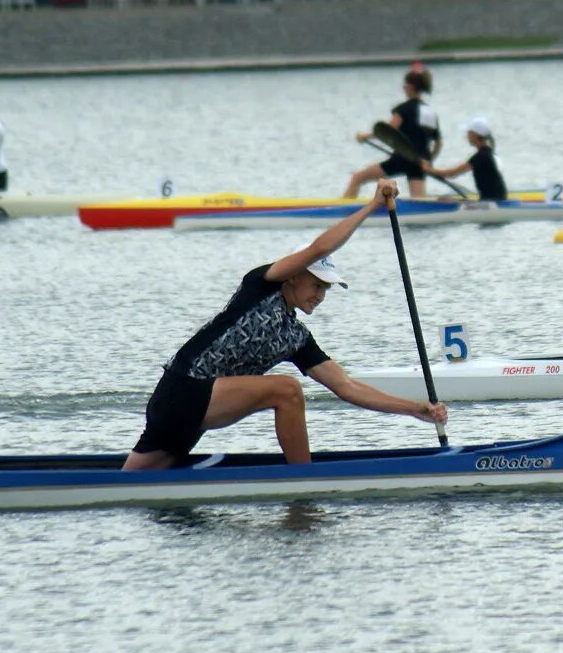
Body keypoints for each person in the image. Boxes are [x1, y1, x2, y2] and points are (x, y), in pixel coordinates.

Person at [124, 180, 447, 470]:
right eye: (316, 285)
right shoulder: (261, 285)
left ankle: (298, 478)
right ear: (294, 275)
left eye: (326, 289)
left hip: (192, 412)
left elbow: (347, 387)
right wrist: (373, 205)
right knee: (286, 389)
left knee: (131, 482)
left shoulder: (296, 337)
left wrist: (414, 409)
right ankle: (303, 479)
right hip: (182, 391)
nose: (320, 295)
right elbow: (320, 248)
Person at [345, 64, 441, 198]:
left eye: (405, 85)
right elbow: (438, 143)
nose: (403, 87)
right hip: (420, 163)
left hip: (402, 159)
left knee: (357, 178)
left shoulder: (403, 109)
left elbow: (387, 131)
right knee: (419, 200)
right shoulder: (429, 112)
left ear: (411, 87)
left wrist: (364, 136)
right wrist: (428, 161)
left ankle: (343, 212)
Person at [426, 116, 508, 201]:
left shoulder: (481, 156)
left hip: (492, 202)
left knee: (443, 200)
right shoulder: (487, 152)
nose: (467, 136)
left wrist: (429, 170)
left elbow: (451, 173)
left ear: (474, 135)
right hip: (495, 199)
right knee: (445, 199)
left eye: (468, 133)